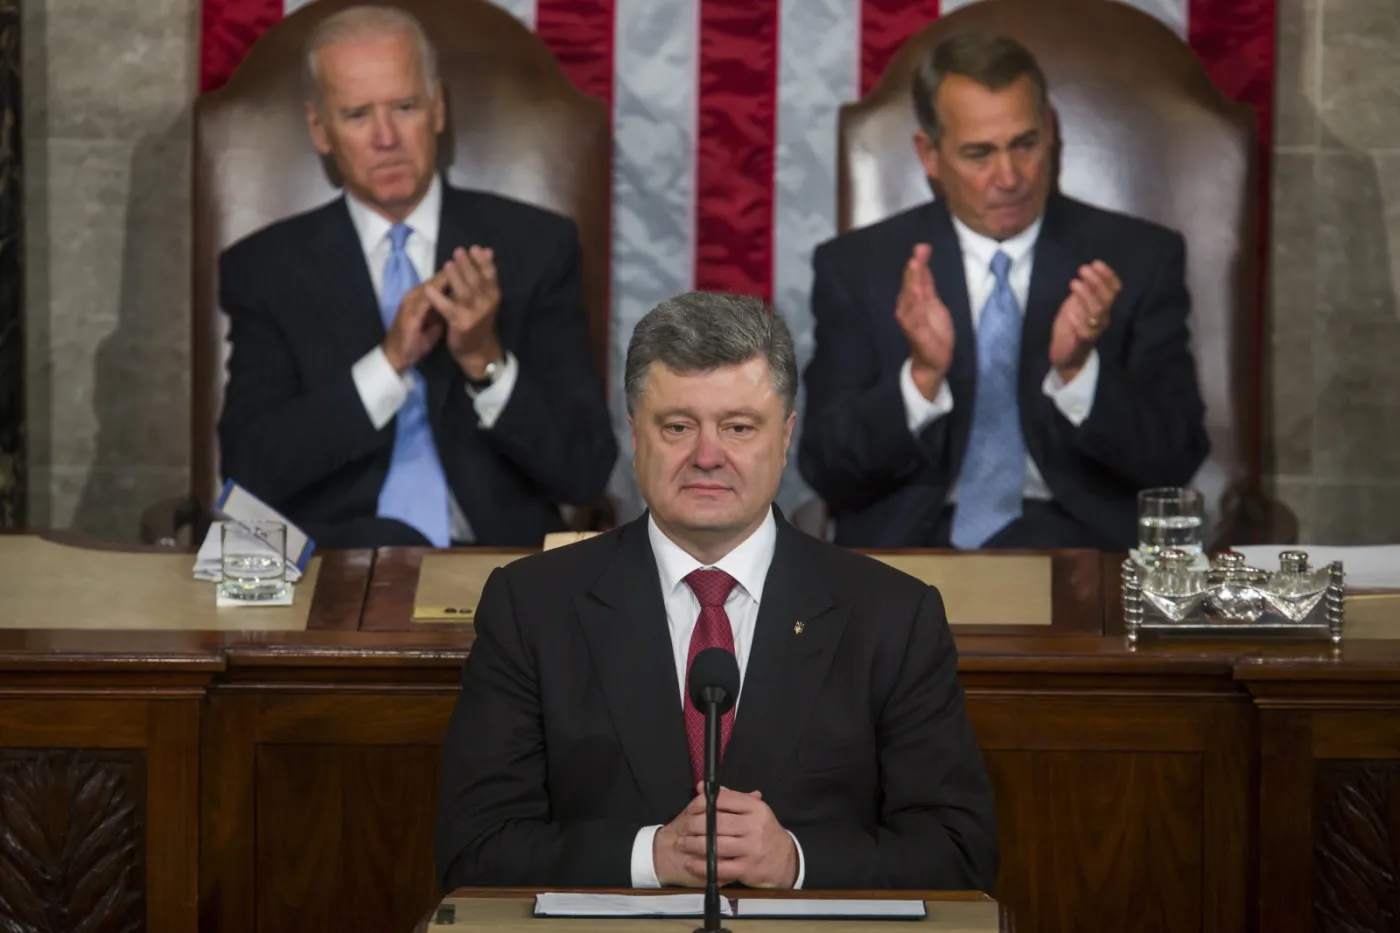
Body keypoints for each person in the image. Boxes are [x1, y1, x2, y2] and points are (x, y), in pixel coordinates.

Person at [434, 291, 997, 890]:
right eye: (678, 426)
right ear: (634, 437)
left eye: (738, 427)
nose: (707, 456)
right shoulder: (531, 606)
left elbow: (961, 851)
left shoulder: (893, 616)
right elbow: (474, 847)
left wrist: (797, 862)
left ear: (785, 438)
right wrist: (651, 855)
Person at [216, 5, 616, 548]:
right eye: (357, 115)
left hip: (496, 569)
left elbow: (584, 470)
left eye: (404, 106)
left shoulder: (535, 247)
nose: (386, 137)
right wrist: (388, 364)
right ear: (321, 130)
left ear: (437, 109)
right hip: (335, 571)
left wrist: (486, 362)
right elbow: (250, 473)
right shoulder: (265, 270)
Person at [799, 31, 1209, 551]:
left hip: (1081, 548)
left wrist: (1080, 371)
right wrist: (920, 378)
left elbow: (1176, 459)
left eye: (1024, 144)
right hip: (913, 546)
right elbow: (827, 468)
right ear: (929, 155)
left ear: (1051, 131)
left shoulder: (1136, 259)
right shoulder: (860, 267)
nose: (1009, 176)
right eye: (979, 154)